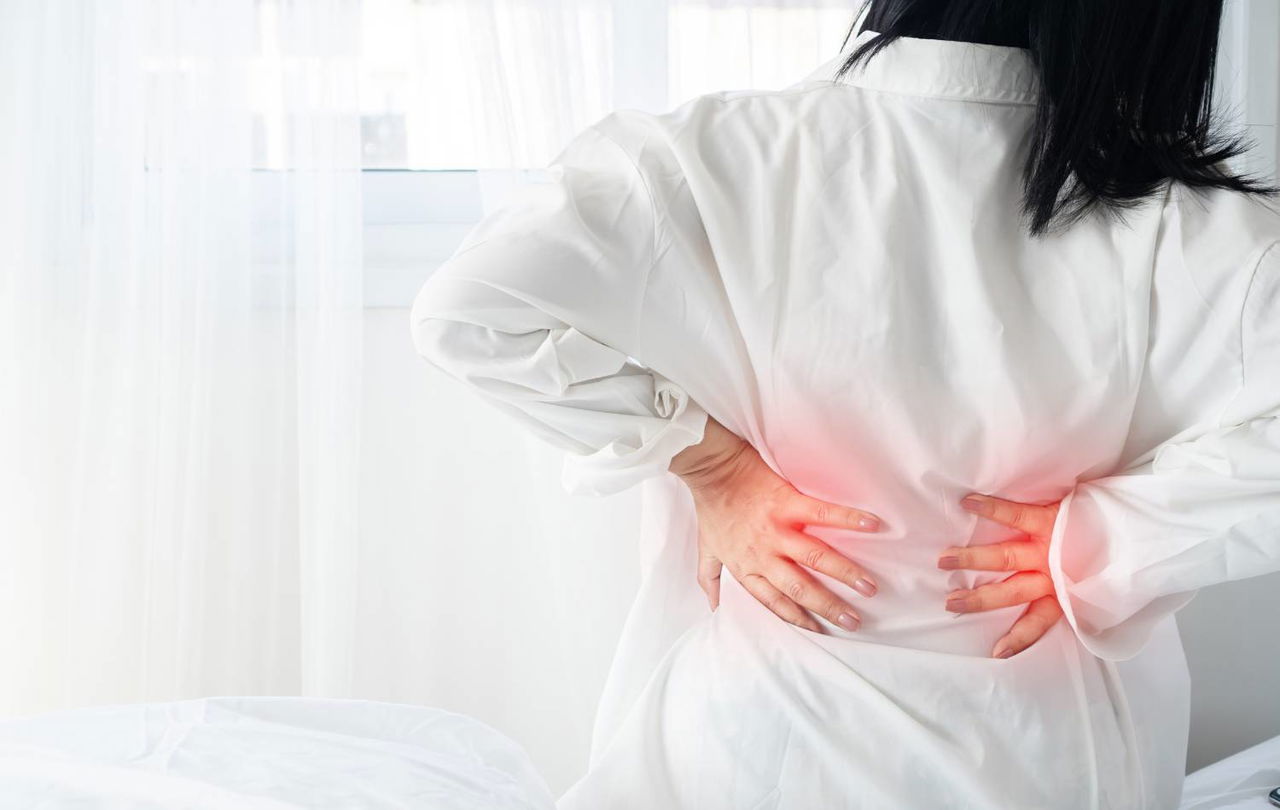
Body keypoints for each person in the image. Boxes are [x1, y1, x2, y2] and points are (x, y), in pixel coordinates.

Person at [409, 0, 1280, 807]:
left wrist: (707, 462)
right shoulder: (1194, 226)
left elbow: (467, 312)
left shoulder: (710, 152)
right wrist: (1115, 543)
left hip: (750, 745)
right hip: (1042, 757)